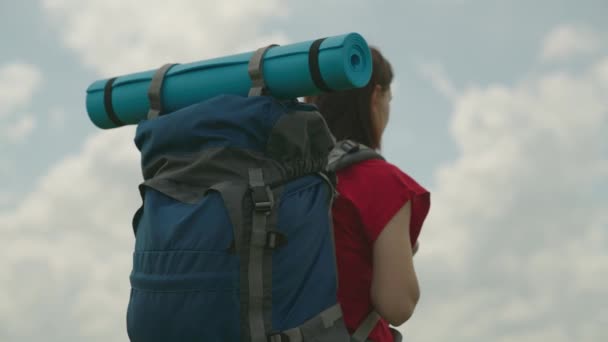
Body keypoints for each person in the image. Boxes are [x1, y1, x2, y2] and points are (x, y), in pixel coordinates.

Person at [306, 47, 431, 342]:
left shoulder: (288, 176)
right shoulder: (381, 181)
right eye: (389, 98)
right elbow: (397, 304)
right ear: (376, 96)